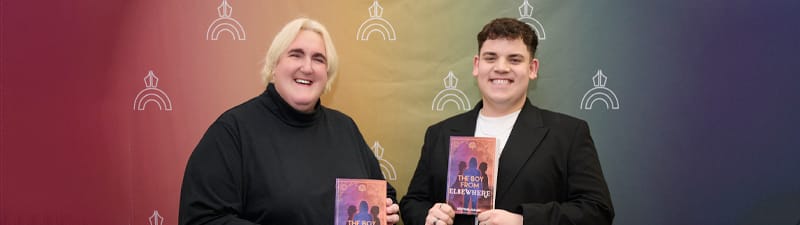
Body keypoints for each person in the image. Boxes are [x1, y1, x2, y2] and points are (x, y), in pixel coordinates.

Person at [179, 17, 400, 225]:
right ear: (274, 66)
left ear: (327, 73)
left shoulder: (345, 128)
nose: (307, 67)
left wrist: (385, 209)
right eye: (296, 54)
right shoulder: (232, 131)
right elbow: (202, 219)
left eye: (318, 59)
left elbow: (382, 192)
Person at [399, 18, 614, 225]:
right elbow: (413, 203)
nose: (501, 67)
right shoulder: (440, 133)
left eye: (514, 59)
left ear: (533, 68)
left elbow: (597, 211)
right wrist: (429, 216)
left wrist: (524, 220)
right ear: (477, 65)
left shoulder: (568, 134)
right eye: (491, 58)